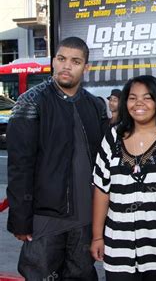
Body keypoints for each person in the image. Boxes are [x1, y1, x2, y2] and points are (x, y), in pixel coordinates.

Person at [6, 37, 108, 280]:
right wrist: (21, 219)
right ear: (53, 61)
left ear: (86, 67)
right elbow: (20, 165)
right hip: (45, 218)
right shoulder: (31, 101)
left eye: (75, 61)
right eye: (61, 59)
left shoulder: (95, 106)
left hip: (85, 218)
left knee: (82, 276)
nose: (66, 66)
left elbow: (106, 164)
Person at [90, 75, 156, 281]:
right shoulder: (112, 137)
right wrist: (97, 236)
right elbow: (101, 189)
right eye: (132, 98)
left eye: (147, 97)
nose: (139, 103)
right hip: (118, 247)